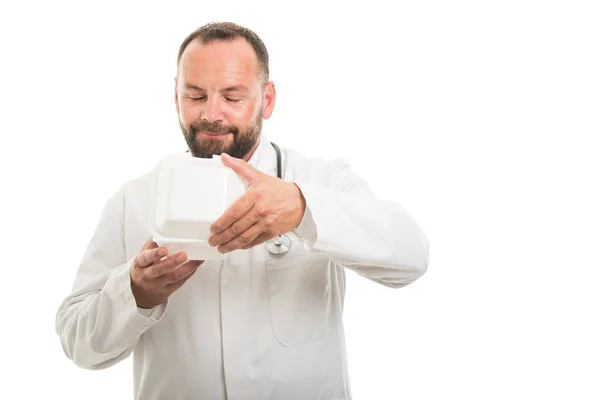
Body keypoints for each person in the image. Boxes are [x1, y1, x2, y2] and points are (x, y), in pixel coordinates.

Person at [55, 21, 430, 400]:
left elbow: (411, 257)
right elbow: (78, 344)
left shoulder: (321, 180)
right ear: (175, 95)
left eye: (233, 98)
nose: (211, 115)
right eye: (196, 95)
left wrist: (303, 208)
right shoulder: (132, 200)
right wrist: (134, 293)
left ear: (267, 100)